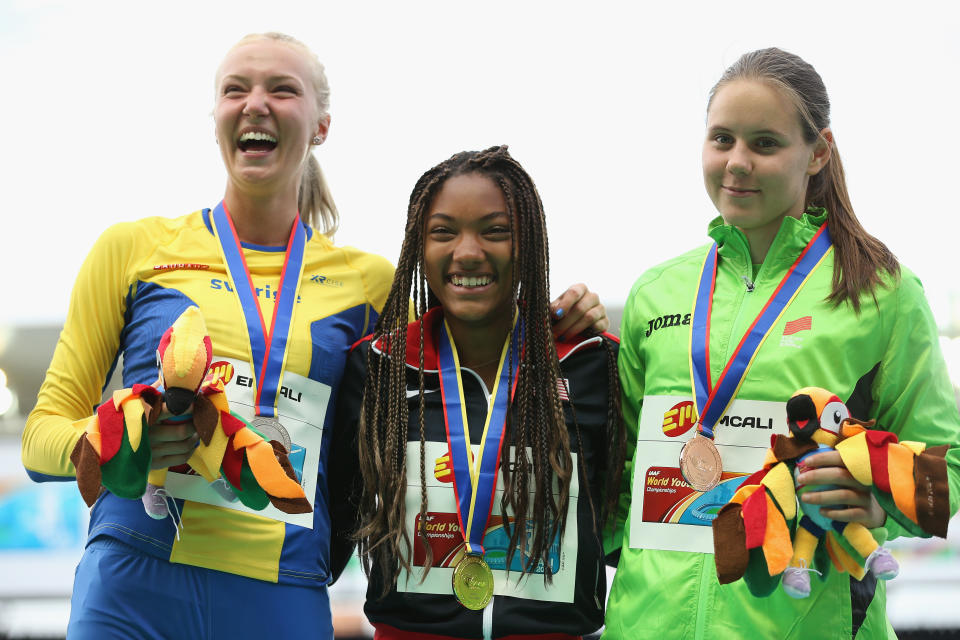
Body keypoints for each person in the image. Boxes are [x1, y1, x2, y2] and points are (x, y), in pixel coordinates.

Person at [20, 34, 607, 639]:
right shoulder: (133, 250)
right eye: (235, 89)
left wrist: (561, 316)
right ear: (215, 118)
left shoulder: (371, 283)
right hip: (135, 582)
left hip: (283, 592)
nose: (255, 104)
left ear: (321, 125)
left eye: (282, 89)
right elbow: (39, 437)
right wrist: (112, 445)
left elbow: (466, 357)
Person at [604, 48, 960, 640]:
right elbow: (615, 478)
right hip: (647, 624)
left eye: (764, 144)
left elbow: (949, 460)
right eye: (722, 139)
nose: (736, 163)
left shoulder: (879, 292)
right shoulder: (657, 291)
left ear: (817, 152)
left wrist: (877, 508)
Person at [330, 146, 625, 640]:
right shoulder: (378, 367)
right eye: (443, 232)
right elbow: (334, 524)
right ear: (418, 249)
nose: (468, 251)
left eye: (495, 231)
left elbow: (624, 531)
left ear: (527, 244)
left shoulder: (591, 361)